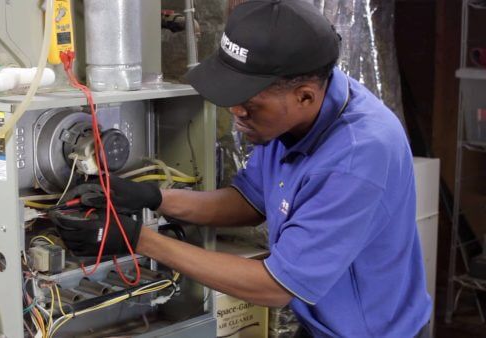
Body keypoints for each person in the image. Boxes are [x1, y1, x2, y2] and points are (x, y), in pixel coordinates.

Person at [56, 0, 432, 336]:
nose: (236, 114)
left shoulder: (356, 157)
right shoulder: (293, 118)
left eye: (249, 104)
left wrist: (139, 239)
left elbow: (275, 288)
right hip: (321, 323)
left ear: (305, 96)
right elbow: (250, 203)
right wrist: (154, 197)